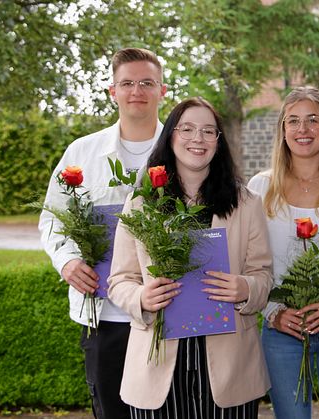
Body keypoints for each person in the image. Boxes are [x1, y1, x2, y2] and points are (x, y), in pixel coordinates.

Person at [108, 97, 273, 417]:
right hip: (157, 367)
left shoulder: (247, 203)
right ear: (170, 136)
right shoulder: (141, 202)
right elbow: (119, 280)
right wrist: (142, 296)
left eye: (208, 131)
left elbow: (263, 274)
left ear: (218, 142)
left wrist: (246, 289)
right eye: (187, 129)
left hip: (230, 368)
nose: (197, 138)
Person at [38, 47, 166, 419]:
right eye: (126, 83)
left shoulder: (184, 149)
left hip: (167, 313)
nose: (136, 90)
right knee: (110, 410)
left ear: (163, 90)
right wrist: (67, 261)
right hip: (105, 313)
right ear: (112, 91)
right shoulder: (83, 151)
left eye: (146, 82)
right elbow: (53, 218)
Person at [247, 86, 319, 419]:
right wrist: (272, 312)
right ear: (282, 131)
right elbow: (247, 263)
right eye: (293, 121)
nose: (303, 129)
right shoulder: (260, 188)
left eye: (313, 120)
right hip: (283, 328)